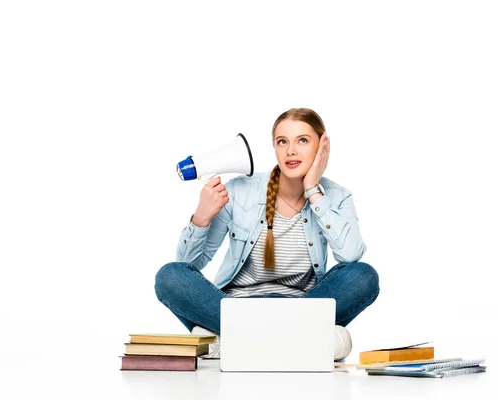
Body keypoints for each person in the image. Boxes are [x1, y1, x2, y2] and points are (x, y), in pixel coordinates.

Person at [155, 108, 380, 360]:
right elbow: (187, 266)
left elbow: (350, 255)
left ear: (322, 146)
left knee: (363, 276)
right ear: (274, 147)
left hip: (302, 307)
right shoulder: (240, 191)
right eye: (282, 142)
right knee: (168, 276)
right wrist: (201, 217)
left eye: (303, 140)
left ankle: (233, 342)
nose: (291, 151)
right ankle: (303, 342)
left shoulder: (337, 196)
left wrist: (313, 191)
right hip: (234, 309)